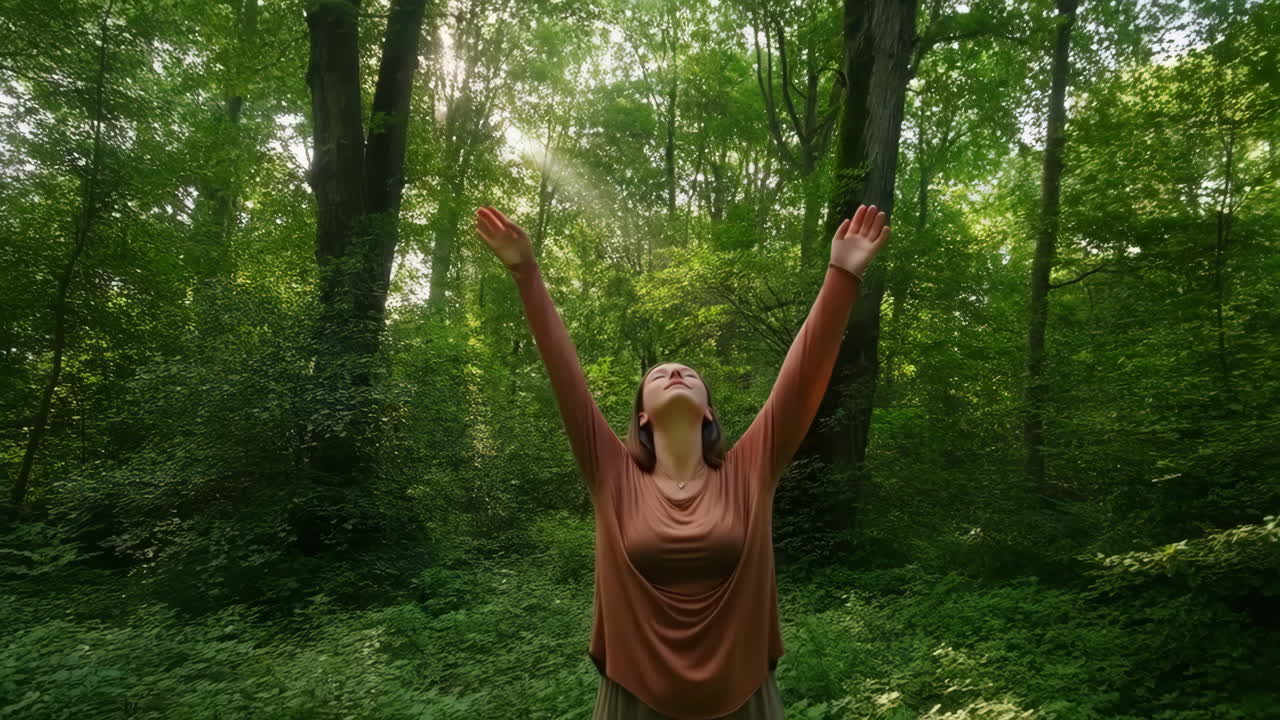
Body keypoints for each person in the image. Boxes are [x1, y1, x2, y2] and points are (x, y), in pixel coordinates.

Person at [473, 203, 889, 720]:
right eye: (659, 374)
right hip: (635, 699)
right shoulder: (613, 474)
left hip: (744, 698)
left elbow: (800, 379)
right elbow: (567, 377)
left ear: (709, 409)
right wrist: (526, 272)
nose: (674, 373)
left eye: (688, 372)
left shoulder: (748, 471)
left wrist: (842, 273)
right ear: (642, 417)